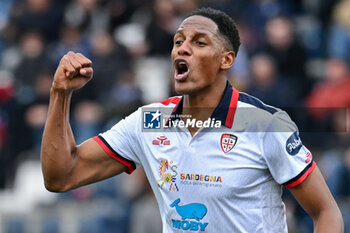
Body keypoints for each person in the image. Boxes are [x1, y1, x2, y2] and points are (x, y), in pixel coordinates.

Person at [41, 7, 343, 233]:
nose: (182, 48)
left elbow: (326, 212)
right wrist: (60, 94)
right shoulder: (148, 123)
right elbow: (61, 176)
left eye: (199, 43)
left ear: (226, 59)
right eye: (178, 41)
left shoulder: (267, 125)